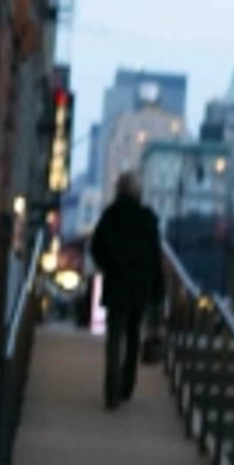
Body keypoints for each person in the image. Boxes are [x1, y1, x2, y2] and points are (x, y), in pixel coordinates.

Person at [90, 171, 164, 411]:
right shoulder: (147, 218)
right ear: (137, 192)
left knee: (114, 337)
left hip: (116, 284)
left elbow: (97, 247)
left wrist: (110, 266)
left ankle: (110, 390)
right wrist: (157, 289)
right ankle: (126, 386)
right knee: (133, 337)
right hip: (139, 286)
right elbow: (155, 256)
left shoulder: (111, 216)